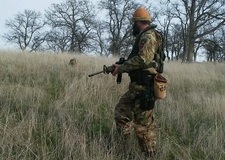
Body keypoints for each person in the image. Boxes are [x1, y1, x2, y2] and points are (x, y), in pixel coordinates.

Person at [111, 7, 163, 159]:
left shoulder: (148, 36)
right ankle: (124, 151)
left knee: (143, 126)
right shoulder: (145, 36)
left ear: (138, 23)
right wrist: (122, 65)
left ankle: (149, 155)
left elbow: (143, 60)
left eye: (134, 23)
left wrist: (122, 68)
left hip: (144, 86)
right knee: (122, 113)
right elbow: (142, 60)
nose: (133, 26)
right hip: (138, 86)